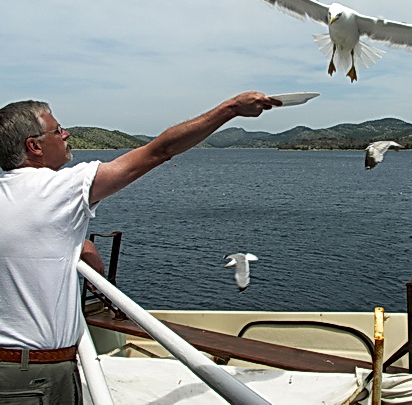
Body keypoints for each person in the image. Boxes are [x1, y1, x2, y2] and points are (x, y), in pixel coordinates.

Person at [0, 91, 280, 403]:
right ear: (34, 146)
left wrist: (78, 245)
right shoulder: (60, 189)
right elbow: (160, 151)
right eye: (57, 130)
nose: (66, 134)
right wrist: (230, 109)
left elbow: (28, 237)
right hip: (34, 378)